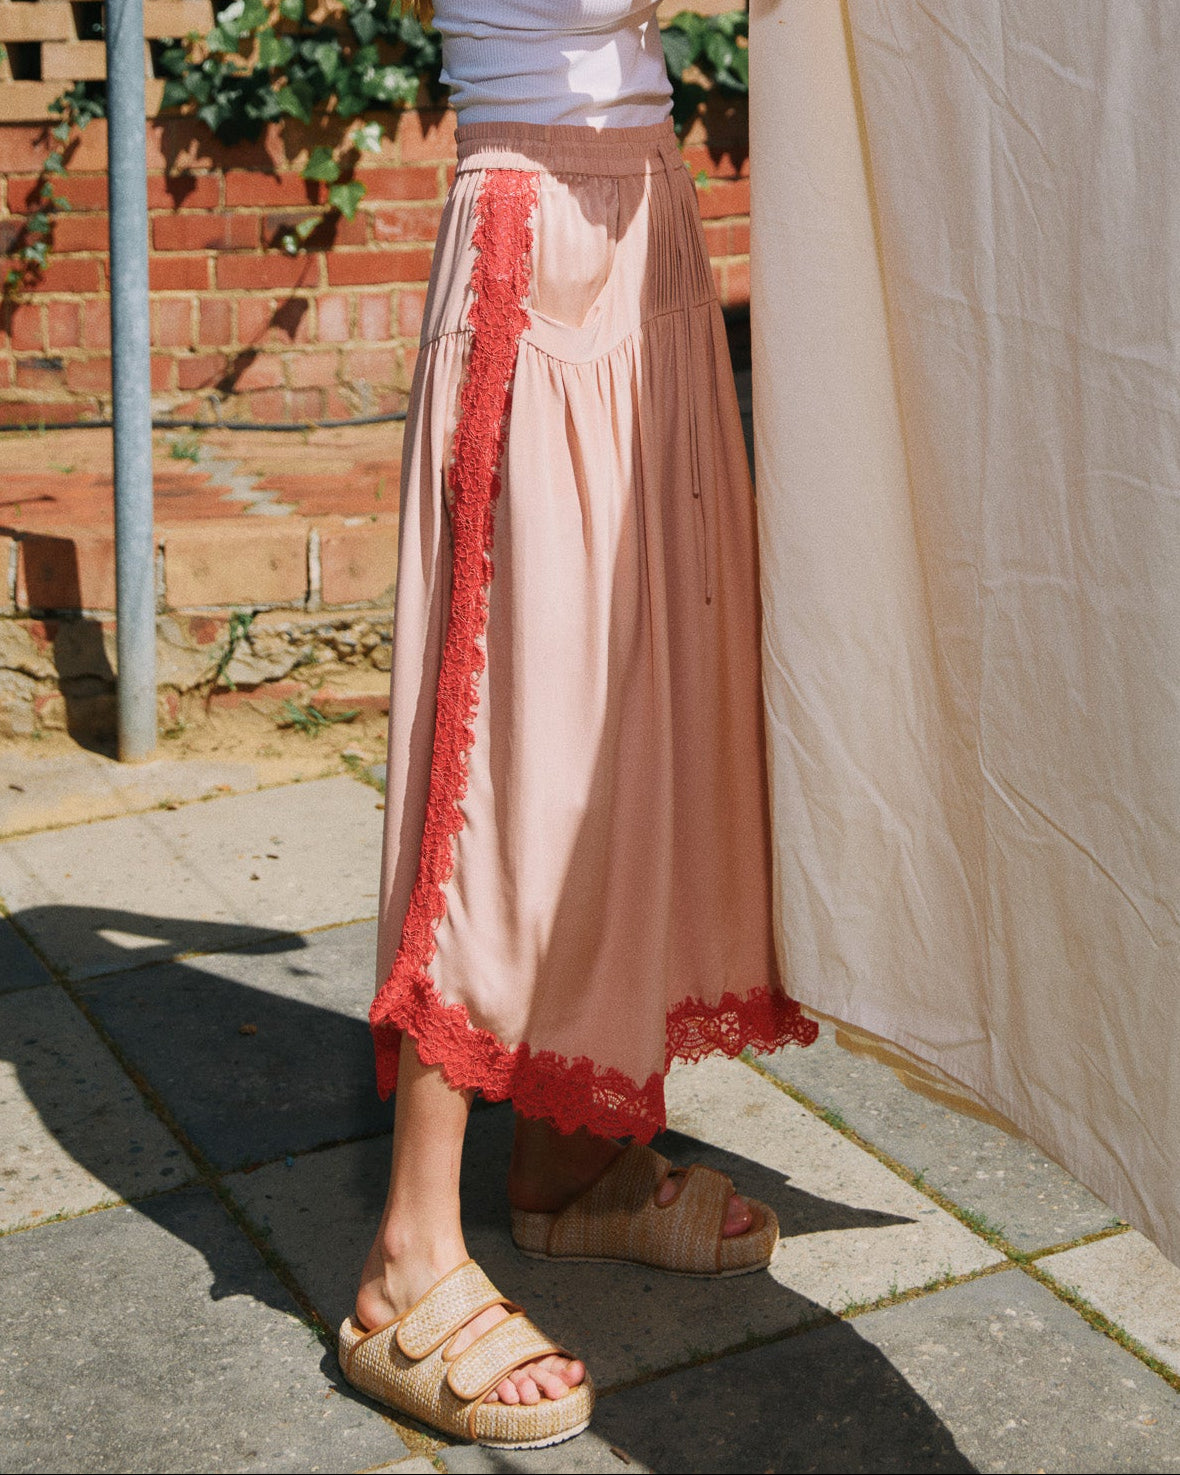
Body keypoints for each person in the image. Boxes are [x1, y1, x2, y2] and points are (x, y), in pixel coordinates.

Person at [337, 0, 817, 1448]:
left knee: (639, 698)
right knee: (508, 737)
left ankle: (569, 1159)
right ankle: (408, 1256)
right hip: (531, 224)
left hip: (643, 203)